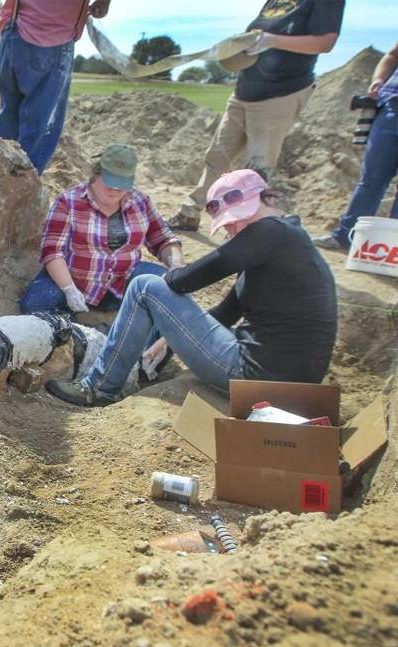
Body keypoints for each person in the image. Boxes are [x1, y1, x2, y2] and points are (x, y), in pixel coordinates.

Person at [46, 169, 338, 407]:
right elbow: (227, 311)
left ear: (264, 199)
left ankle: (99, 388)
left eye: (240, 218)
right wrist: (169, 340)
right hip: (286, 381)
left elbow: (185, 279)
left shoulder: (268, 231)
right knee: (153, 290)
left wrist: (170, 285)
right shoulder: (288, 239)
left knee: (145, 287)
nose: (234, 229)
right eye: (229, 223)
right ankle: (120, 374)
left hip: (256, 378)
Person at [168, 0, 344, 231]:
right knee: (217, 156)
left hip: (281, 93)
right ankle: (189, 213)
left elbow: (325, 42)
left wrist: (272, 40)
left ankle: (249, 226)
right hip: (244, 91)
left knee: (256, 169)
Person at [20, 144, 183, 316]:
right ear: (95, 175)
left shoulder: (140, 202)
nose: (115, 190)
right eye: (110, 183)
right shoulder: (68, 202)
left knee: (171, 290)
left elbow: (164, 239)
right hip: (76, 279)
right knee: (35, 304)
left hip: (123, 280)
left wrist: (176, 265)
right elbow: (52, 252)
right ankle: (76, 329)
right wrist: (69, 289)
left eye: (122, 184)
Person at [0, 0, 112, 174]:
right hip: (53, 36)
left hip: (13, 31)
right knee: (40, 130)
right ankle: (20, 187)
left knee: (9, 120)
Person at [314, 40, 398, 250]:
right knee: (371, 180)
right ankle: (345, 236)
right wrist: (379, 79)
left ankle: (392, 249)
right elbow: (393, 55)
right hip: (392, 109)